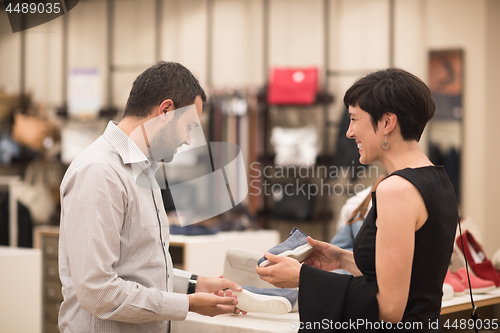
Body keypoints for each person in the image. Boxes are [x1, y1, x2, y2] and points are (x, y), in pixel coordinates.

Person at [256, 68, 458, 332]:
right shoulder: (436, 179)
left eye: (354, 119)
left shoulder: (396, 190)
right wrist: (341, 259)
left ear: (387, 123)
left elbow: (390, 309)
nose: (349, 132)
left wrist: (304, 278)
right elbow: (409, 277)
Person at [58, 61, 243, 333]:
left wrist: (195, 284)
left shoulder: (143, 170)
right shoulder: (100, 173)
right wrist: (187, 304)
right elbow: (98, 292)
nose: (189, 140)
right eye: (190, 126)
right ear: (166, 110)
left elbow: (138, 269)